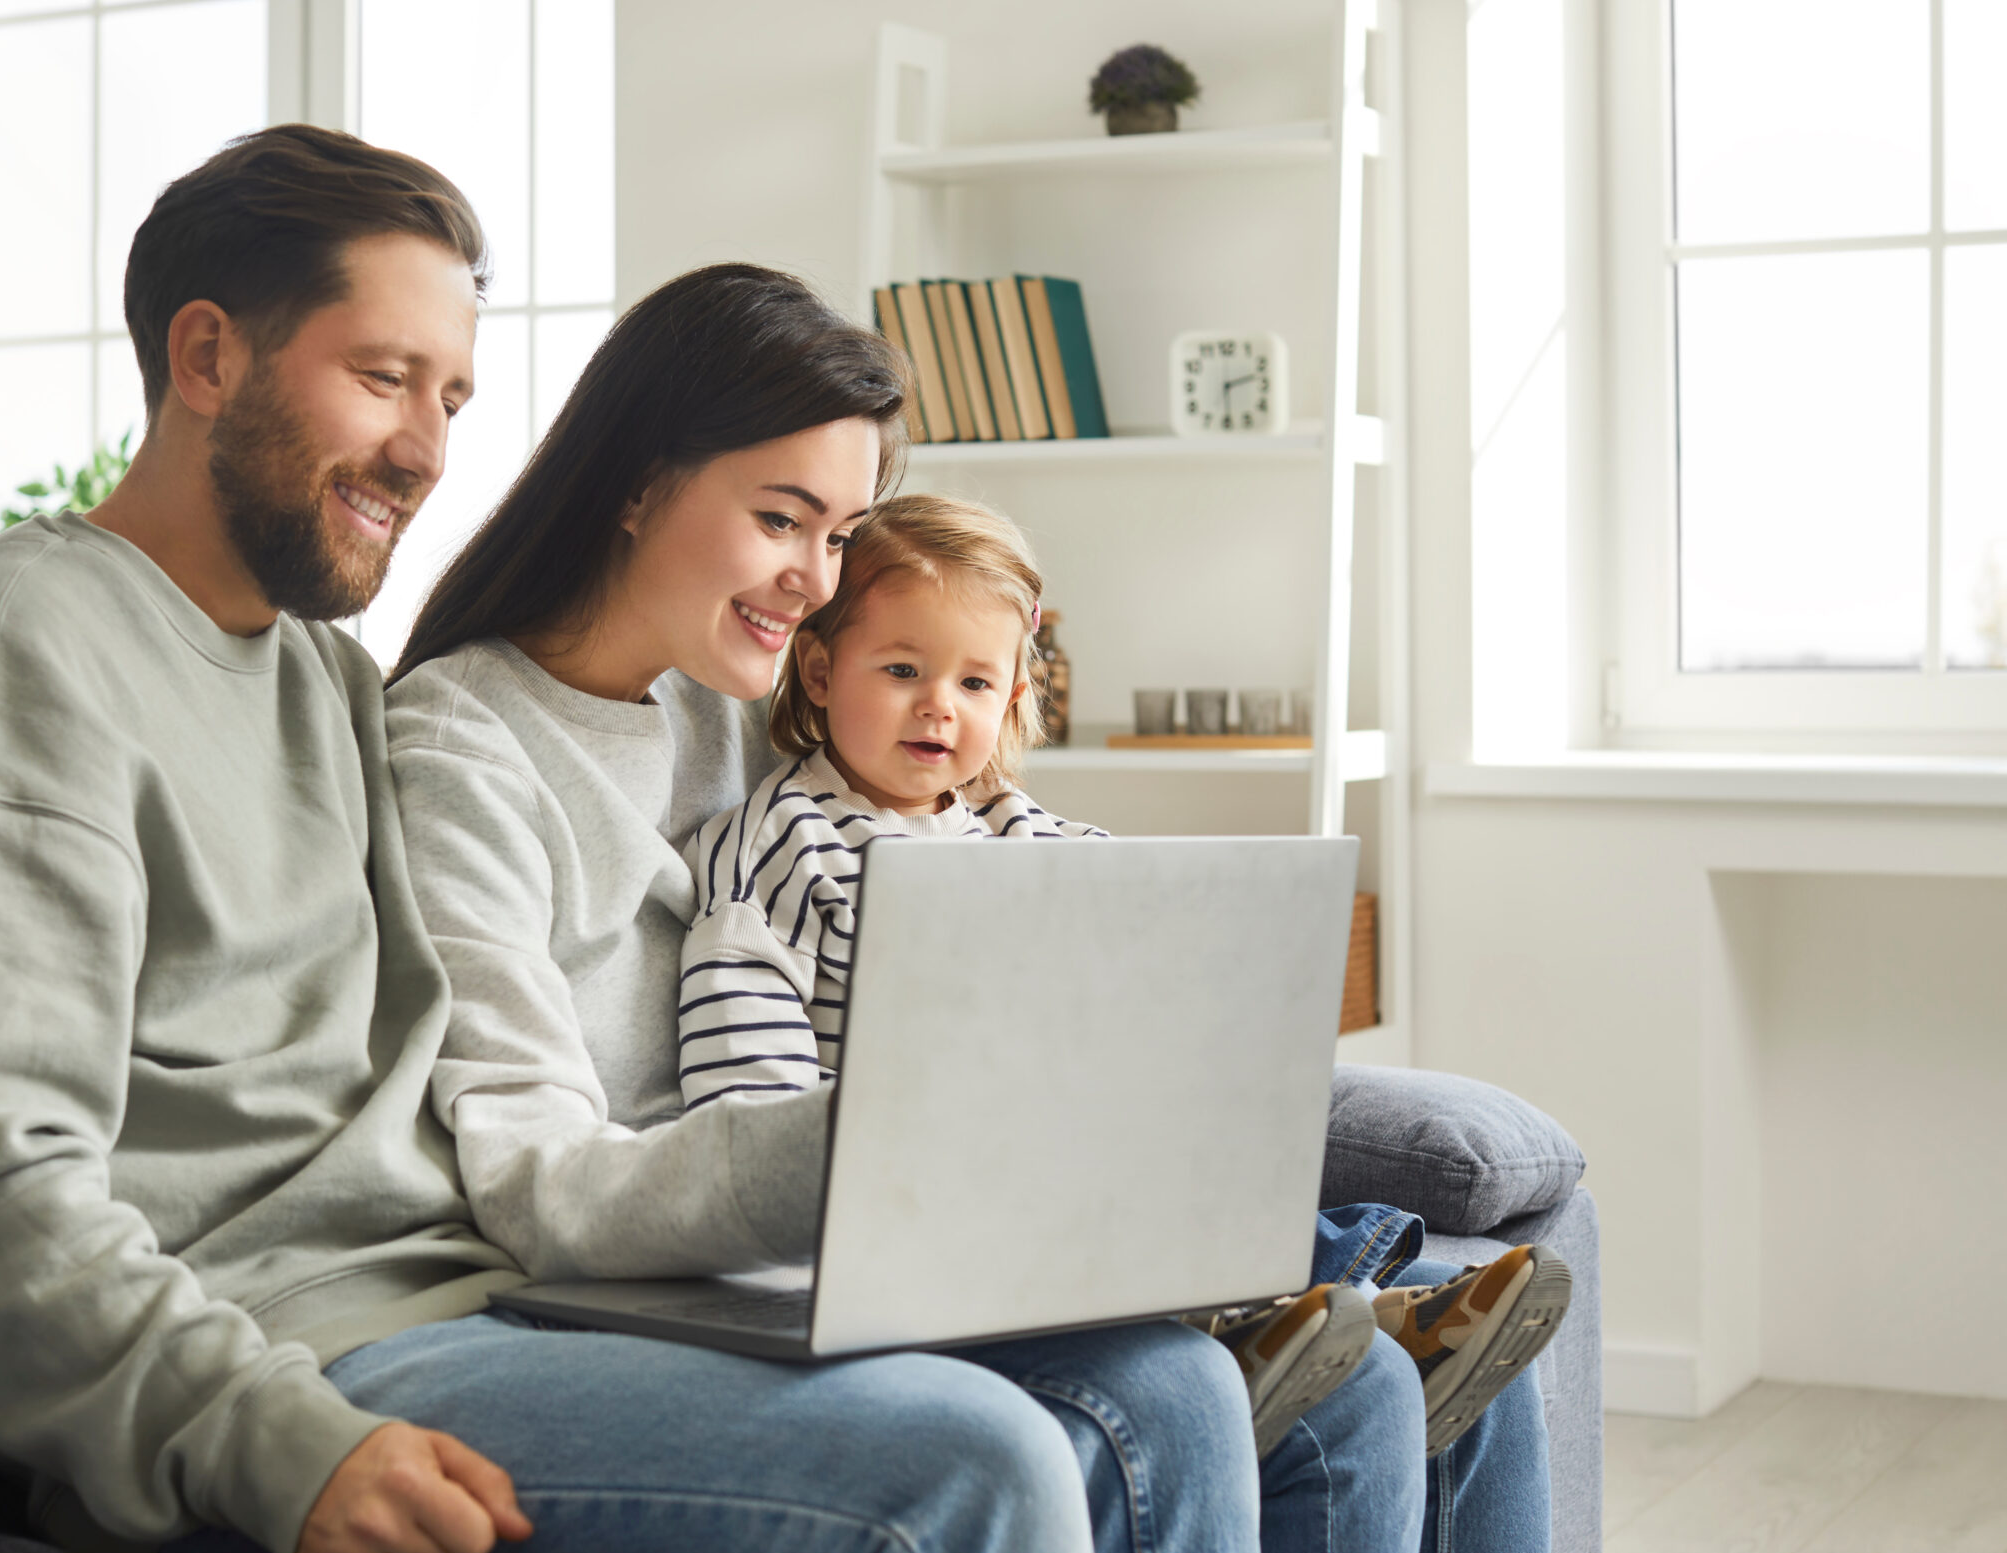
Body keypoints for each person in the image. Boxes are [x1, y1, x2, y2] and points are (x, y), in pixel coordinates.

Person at [0, 123, 1105, 1553]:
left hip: (478, 1311)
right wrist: (270, 1440)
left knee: (1127, 1386)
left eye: (451, 397)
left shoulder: (321, 676)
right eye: (382, 378)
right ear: (207, 355)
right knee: (974, 1463)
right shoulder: (18, 649)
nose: (428, 449)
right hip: (313, 1352)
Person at [385, 261, 1551, 1553]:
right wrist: (893, 1130)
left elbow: (941, 762)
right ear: (636, 481)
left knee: (1373, 1384)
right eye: (779, 519)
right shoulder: (461, 751)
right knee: (1177, 1390)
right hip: (675, 1265)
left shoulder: (726, 689)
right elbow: (537, 1180)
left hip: (878, 1211)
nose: (812, 583)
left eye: (839, 533)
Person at [674, 490, 1573, 1463]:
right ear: (817, 667)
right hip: (907, 1201)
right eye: (901, 670)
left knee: (1187, 1161)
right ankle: (1296, 1327)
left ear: (1013, 696)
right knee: (1099, 1201)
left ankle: (1331, 1313)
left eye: (976, 684)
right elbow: (746, 1108)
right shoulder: (780, 849)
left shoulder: (1011, 828)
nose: (939, 704)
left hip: (1058, 1166)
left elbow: (1129, 943)